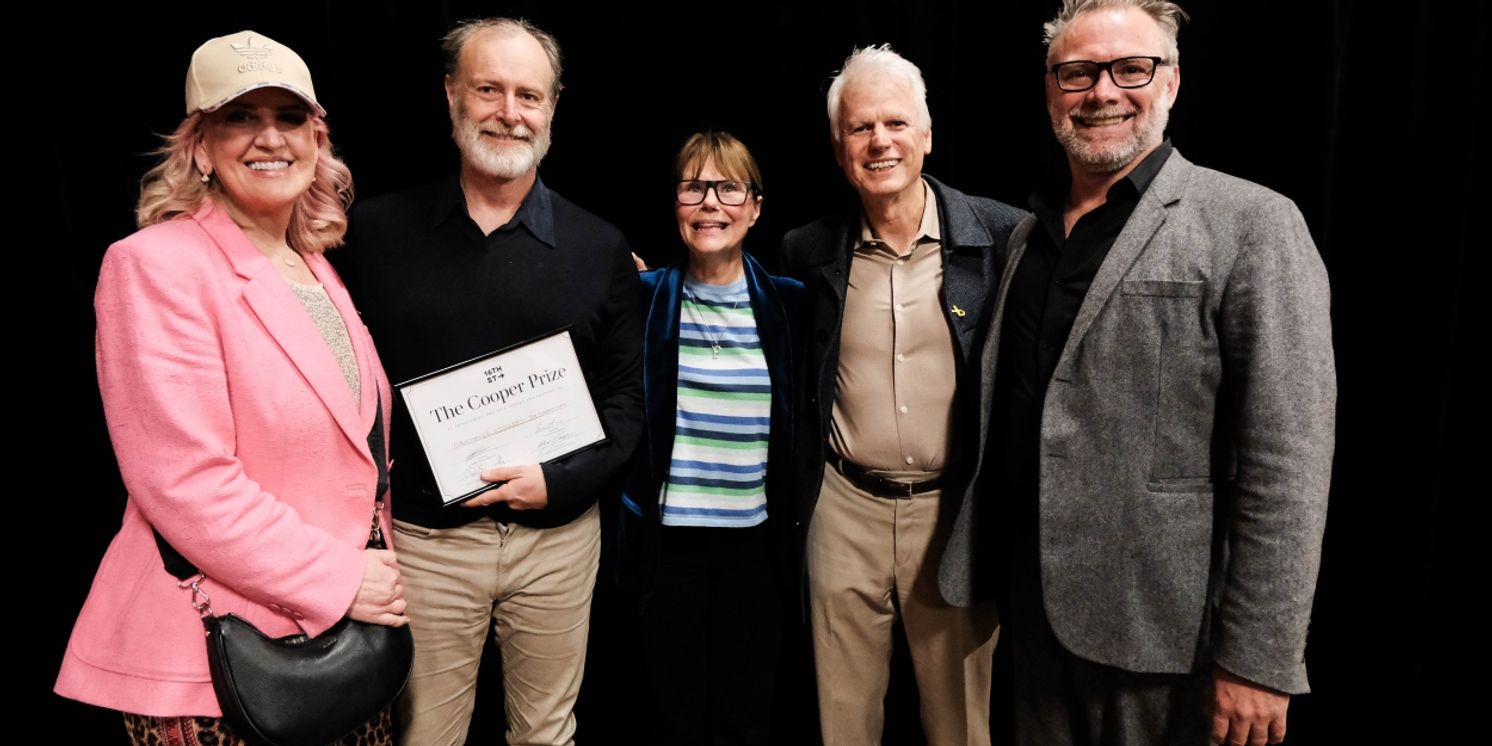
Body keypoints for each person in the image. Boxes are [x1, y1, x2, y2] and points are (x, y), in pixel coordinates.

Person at [938, 2, 1336, 744]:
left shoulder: (1251, 223)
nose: (1102, 92)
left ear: (1173, 82)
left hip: (1166, 637)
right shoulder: (1027, 235)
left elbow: (1289, 461)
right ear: (1051, 88)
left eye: (1131, 68)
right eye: (1077, 72)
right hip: (1030, 616)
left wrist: (1259, 658)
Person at [54, 31, 404, 745]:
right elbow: (185, 480)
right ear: (199, 147)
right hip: (224, 671)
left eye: (289, 116)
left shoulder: (313, 266)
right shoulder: (154, 265)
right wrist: (340, 579)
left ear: (317, 136)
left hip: (342, 657)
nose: (268, 137)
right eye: (239, 118)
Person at [331, 17, 645, 746]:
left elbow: (627, 403)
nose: (510, 111)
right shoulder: (373, 236)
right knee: (426, 737)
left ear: (553, 109)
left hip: (558, 543)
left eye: (529, 95)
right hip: (425, 545)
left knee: (547, 735)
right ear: (451, 96)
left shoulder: (599, 246)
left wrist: (558, 483)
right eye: (488, 89)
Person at [779, 44, 1023, 746]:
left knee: (959, 728)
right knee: (842, 723)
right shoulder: (808, 250)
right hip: (843, 511)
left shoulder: (1000, 238)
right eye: (860, 128)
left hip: (954, 516)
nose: (879, 141)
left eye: (894, 123)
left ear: (926, 134)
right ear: (837, 147)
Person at [617, 131, 803, 745]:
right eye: (693, 187)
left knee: (745, 717)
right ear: (675, 204)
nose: (710, 203)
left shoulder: (790, 305)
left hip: (757, 549)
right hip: (665, 549)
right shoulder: (641, 300)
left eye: (728, 188)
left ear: (754, 206)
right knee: (669, 716)